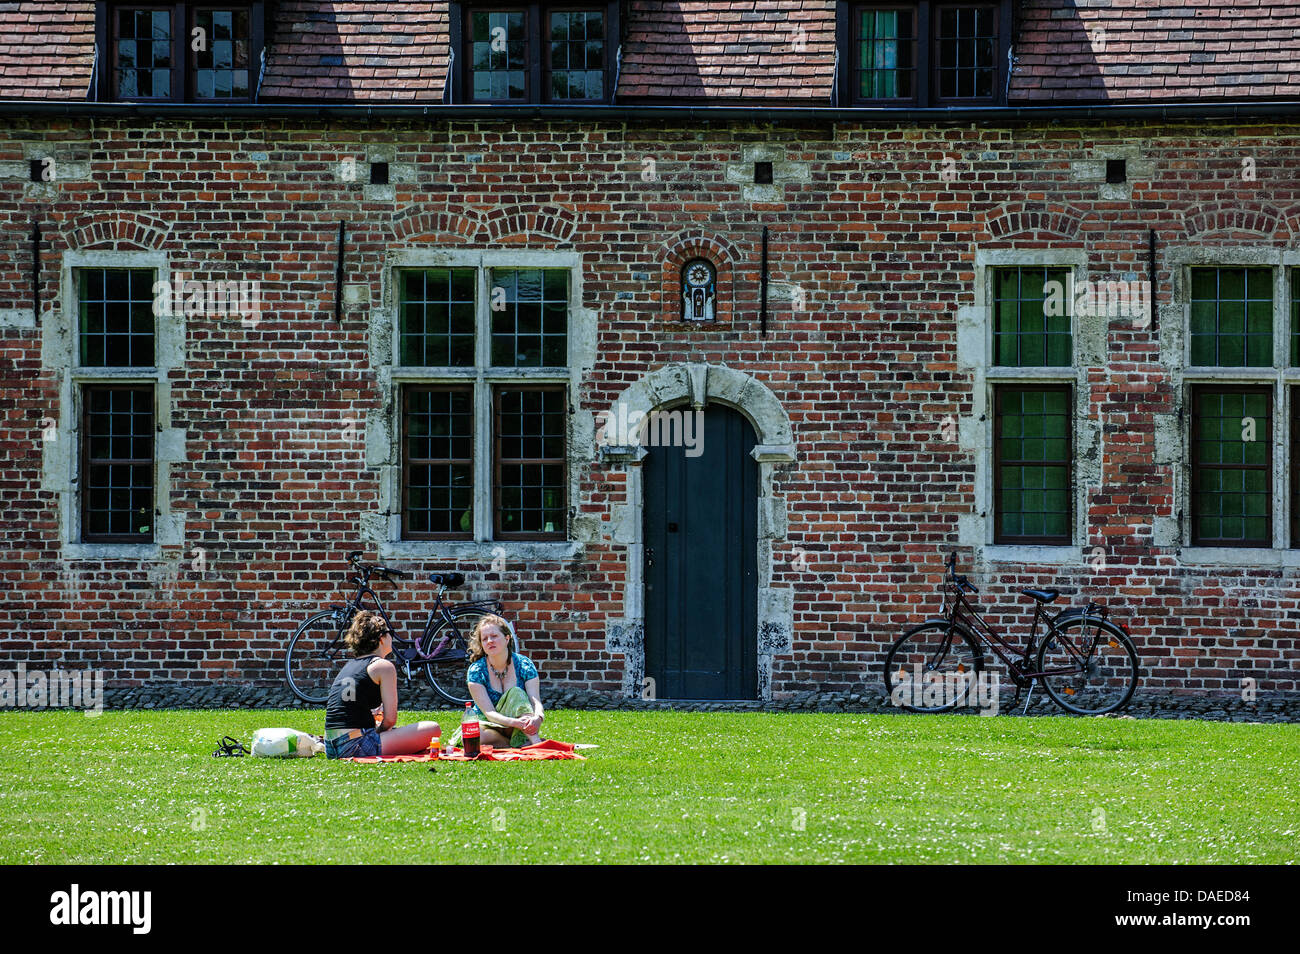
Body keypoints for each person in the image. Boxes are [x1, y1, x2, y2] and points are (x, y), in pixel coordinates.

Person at [323, 610, 440, 759]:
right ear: (381, 638)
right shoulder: (383, 666)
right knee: (433, 729)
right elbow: (390, 720)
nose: (392, 637)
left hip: (331, 747)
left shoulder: (350, 666)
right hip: (355, 745)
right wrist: (380, 731)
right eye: (389, 632)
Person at [458, 614, 544, 748]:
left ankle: (535, 742)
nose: (489, 641)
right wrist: (514, 723)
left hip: (520, 725)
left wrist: (538, 717)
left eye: (494, 636)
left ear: (507, 638)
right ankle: (511, 745)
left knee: (516, 692)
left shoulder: (524, 665)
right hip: (489, 724)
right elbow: (489, 713)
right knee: (475, 735)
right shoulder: (476, 671)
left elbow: (535, 701)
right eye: (485, 639)